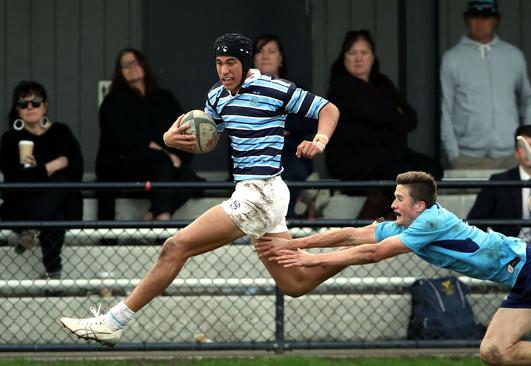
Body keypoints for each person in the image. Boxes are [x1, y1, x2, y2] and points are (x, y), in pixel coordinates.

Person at [60, 33, 341, 346]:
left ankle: (113, 322)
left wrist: (319, 141)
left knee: (175, 246)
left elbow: (328, 109)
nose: (224, 70)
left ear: (246, 62)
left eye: (231, 62)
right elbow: (208, 138)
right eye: (219, 63)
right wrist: (170, 140)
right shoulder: (217, 96)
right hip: (254, 192)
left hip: (262, 195)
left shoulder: (274, 87)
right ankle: (355, 252)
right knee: (295, 283)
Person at [259, 170, 531, 366]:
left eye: (399, 199)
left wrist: (310, 261)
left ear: (420, 206)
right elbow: (352, 234)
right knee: (494, 352)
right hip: (520, 278)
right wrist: (296, 242)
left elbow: (372, 254)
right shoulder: (408, 221)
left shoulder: (429, 223)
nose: (393, 205)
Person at [326, 29, 443, 219]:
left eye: (364, 53)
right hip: (355, 159)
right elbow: (380, 113)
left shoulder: (382, 83)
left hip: (388, 155)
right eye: (352, 53)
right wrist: (392, 112)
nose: (358, 58)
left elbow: (410, 118)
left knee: (432, 169)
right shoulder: (342, 86)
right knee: (400, 175)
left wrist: (386, 113)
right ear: (344, 57)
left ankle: (394, 222)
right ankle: (365, 225)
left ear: (372, 57)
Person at [95, 48, 203, 222]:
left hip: (163, 164)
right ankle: (162, 220)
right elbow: (118, 135)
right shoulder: (114, 100)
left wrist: (178, 155)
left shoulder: (164, 97)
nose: (131, 67)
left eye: (135, 62)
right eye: (125, 65)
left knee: (189, 178)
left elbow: (182, 126)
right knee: (161, 162)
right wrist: (161, 152)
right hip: (126, 164)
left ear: (144, 65)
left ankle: (151, 216)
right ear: (119, 72)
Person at [440, 0, 531, 169]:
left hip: (510, 156)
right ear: (466, 20)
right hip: (466, 157)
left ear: (495, 20)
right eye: (474, 16)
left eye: (486, 16)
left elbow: (528, 99)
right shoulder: (452, 58)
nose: (480, 22)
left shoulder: (513, 55)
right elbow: (445, 109)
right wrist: (453, 153)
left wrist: (527, 144)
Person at [0, 81, 83, 278]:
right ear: (17, 109)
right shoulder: (11, 138)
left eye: (35, 102)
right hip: (23, 203)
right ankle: (53, 271)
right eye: (23, 103)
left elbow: (75, 169)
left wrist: (35, 172)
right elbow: (14, 178)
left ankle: (31, 227)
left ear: (44, 106)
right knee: (54, 215)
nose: (30, 107)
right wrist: (49, 167)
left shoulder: (61, 132)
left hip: (60, 200)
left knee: (60, 185)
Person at [252, 33, 322, 218]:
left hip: (290, 152)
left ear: (280, 58)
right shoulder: (245, 90)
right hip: (255, 152)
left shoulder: (293, 89)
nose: (265, 56)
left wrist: (283, 125)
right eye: (259, 52)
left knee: (291, 175)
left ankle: (295, 220)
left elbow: (313, 119)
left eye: (271, 51)